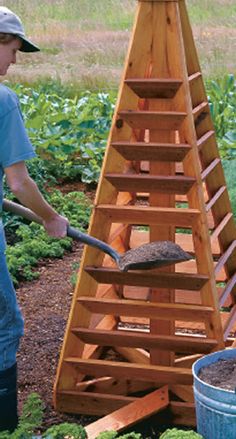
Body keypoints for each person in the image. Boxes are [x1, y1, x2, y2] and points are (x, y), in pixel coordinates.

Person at [0, 7, 69, 431]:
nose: (14, 60)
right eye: (11, 48)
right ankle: (6, 426)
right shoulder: (2, 100)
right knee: (6, 327)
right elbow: (20, 183)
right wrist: (50, 219)